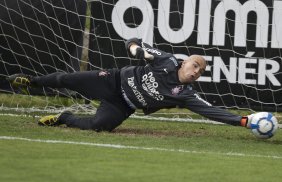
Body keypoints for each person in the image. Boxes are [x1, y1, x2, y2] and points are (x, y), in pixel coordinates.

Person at [7, 38, 252, 132]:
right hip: (112, 81)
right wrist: (137, 50)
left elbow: (213, 112)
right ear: (184, 62)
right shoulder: (166, 60)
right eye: (195, 65)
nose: (196, 72)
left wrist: (243, 121)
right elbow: (133, 42)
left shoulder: (185, 95)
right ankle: (31, 81)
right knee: (67, 79)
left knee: (99, 126)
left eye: (200, 72)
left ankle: (64, 117)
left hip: (123, 105)